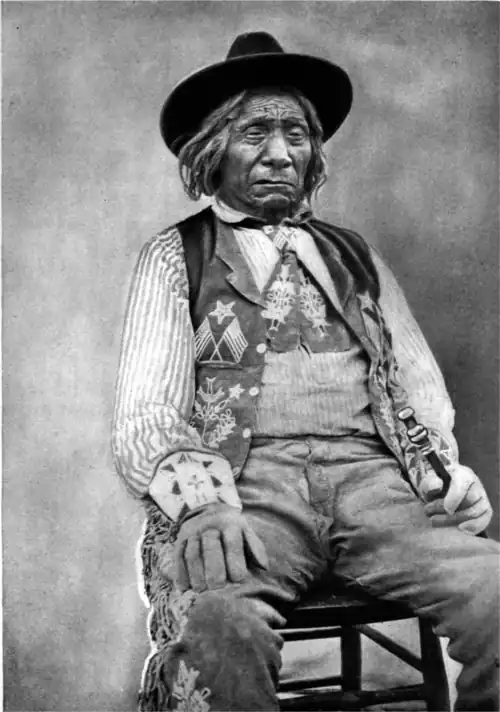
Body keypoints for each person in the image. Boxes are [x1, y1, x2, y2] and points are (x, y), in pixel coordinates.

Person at [112, 31, 499, 712]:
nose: (280, 153)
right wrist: (202, 502)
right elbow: (147, 411)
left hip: (374, 485)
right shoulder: (176, 256)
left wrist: (442, 473)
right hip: (248, 491)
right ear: (213, 149)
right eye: (255, 132)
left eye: (295, 133)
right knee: (220, 625)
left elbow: (417, 387)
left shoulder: (356, 256)